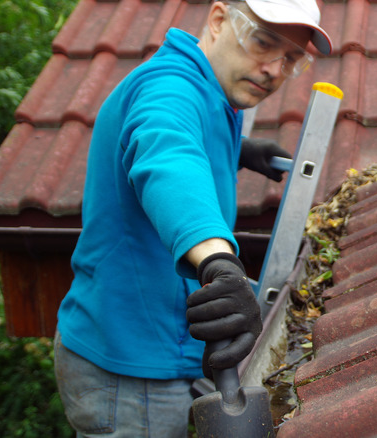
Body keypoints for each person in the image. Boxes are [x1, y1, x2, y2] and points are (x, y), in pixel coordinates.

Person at [53, 0, 332, 435]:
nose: (274, 70)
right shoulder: (169, 88)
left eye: (292, 59)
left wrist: (238, 150)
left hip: (155, 347)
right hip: (134, 369)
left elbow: (187, 139)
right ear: (219, 20)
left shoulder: (214, 93)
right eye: (263, 43)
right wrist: (219, 264)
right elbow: (168, 156)